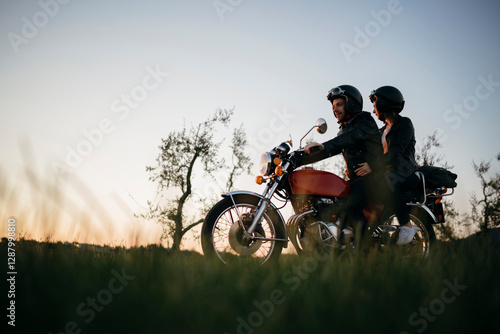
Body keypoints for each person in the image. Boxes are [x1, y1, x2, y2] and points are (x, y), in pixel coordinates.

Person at [301, 85, 383, 246]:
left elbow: (348, 139)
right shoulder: (343, 130)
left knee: (351, 207)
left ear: (350, 103)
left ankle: (363, 251)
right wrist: (299, 157)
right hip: (356, 180)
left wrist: (324, 146)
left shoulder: (364, 121)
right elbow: (330, 150)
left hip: (373, 178)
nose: (335, 109)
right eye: (333, 106)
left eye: (339, 104)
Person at [368, 86, 420, 245]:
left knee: (387, 180)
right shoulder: (380, 131)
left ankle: (407, 225)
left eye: (375, 102)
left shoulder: (404, 123)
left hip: (407, 173)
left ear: (384, 102)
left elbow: (397, 151)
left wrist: (373, 165)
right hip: (387, 176)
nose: (373, 108)